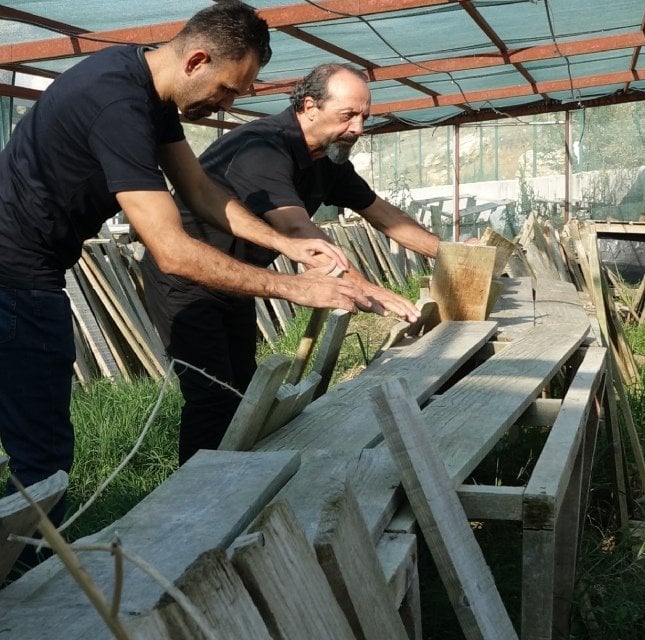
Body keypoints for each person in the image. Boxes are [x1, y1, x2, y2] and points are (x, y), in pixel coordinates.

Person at [0, 2, 397, 522]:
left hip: (29, 272)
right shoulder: (116, 104)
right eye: (228, 89)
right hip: (15, 281)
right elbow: (171, 249)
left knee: (42, 449)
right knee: (43, 460)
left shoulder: (146, 89)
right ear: (197, 61)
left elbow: (200, 190)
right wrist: (295, 289)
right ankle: (36, 589)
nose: (228, 103)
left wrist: (288, 247)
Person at [140, 62, 444, 464]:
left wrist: (451, 254)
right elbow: (297, 230)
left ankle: (238, 475)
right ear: (309, 106)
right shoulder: (261, 148)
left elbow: (384, 214)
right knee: (211, 395)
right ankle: (191, 497)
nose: (357, 129)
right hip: (188, 276)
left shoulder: (327, 159)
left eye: (364, 117)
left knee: (244, 389)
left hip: (239, 277)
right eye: (347, 115)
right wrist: (368, 288)